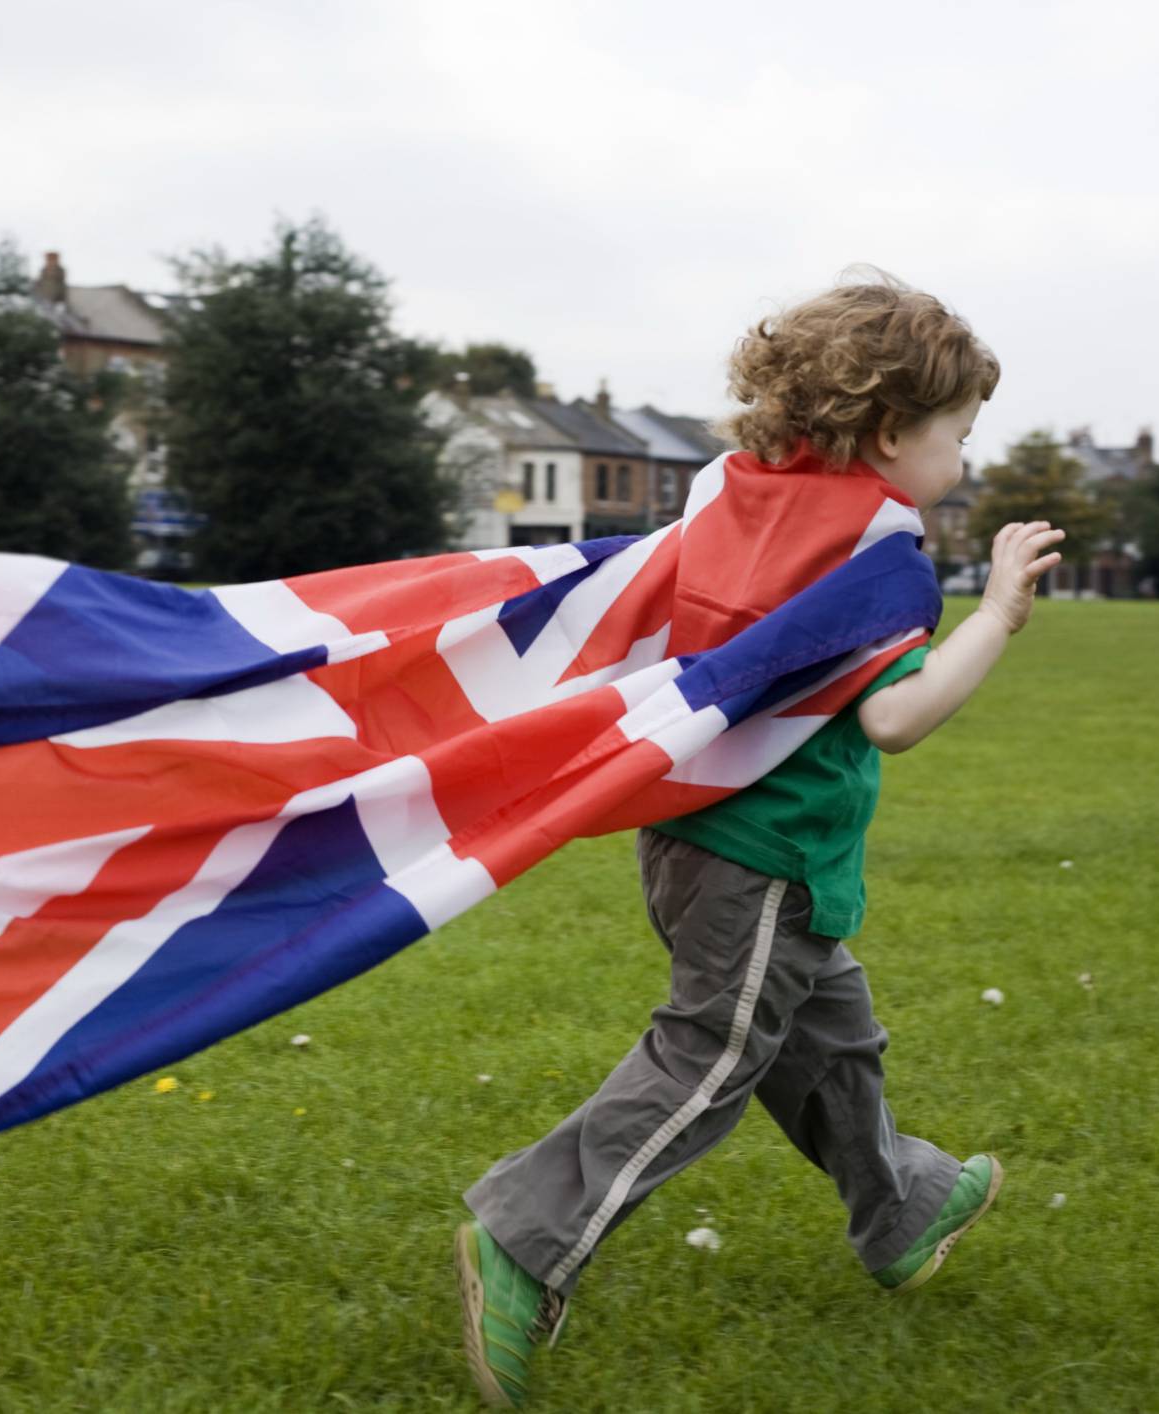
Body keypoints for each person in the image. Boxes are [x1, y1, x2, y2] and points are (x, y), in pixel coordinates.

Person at [453, 270, 1067, 1408]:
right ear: (890, 431)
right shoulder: (876, 555)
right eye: (958, 437)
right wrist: (995, 618)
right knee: (713, 1053)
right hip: (768, 855)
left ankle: (903, 1205)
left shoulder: (728, 490)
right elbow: (895, 718)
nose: (965, 464)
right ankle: (526, 1233)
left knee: (830, 1038)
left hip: (688, 842)